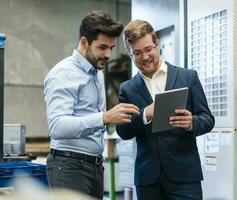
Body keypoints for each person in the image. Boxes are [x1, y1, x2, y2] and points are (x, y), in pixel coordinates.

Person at [44, 10, 140, 200]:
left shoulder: (97, 72)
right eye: (102, 47)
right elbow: (57, 127)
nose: (108, 54)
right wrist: (105, 117)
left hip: (93, 166)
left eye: (111, 48)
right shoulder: (63, 73)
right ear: (84, 42)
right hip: (69, 167)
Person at [116, 20, 215, 200]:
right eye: (137, 53)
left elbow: (207, 119)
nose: (144, 57)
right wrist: (146, 113)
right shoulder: (127, 89)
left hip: (185, 177)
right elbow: (123, 131)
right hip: (148, 180)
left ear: (157, 44)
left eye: (148, 50)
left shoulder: (187, 77)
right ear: (130, 54)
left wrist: (191, 123)